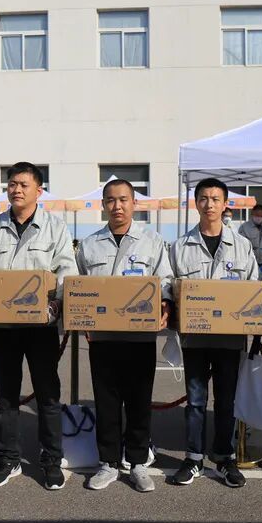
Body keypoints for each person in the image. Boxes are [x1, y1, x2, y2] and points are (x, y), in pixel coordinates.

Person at [0, 162, 77, 490]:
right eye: (12, 184)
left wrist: (58, 303)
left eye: (24, 185)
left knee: (48, 396)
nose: (16, 190)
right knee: (5, 397)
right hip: (2, 329)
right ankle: (8, 458)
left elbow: (66, 270)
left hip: (41, 327)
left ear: (39, 191)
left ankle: (51, 459)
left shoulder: (55, 228)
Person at [76, 178, 173, 493]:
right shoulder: (89, 244)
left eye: (123, 200)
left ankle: (138, 462)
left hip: (140, 336)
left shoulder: (152, 241)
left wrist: (166, 304)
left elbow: (166, 280)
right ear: (103, 205)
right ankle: (108, 462)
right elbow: (78, 286)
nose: (117, 206)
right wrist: (82, 320)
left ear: (134, 203)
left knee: (139, 401)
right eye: (110, 200)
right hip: (102, 337)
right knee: (106, 401)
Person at [169, 177, 259, 488]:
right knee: (195, 401)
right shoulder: (180, 246)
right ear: (196, 203)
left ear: (224, 204)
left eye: (215, 199)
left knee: (226, 401)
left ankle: (224, 458)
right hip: (194, 338)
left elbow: (254, 288)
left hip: (230, 339)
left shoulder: (242, 245)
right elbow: (169, 285)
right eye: (204, 198)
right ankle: (193, 458)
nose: (209, 204)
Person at [238, 204, 262, 277]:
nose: (259, 217)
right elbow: (240, 246)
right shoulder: (244, 227)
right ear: (252, 214)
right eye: (257, 215)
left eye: (261, 216)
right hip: (250, 262)